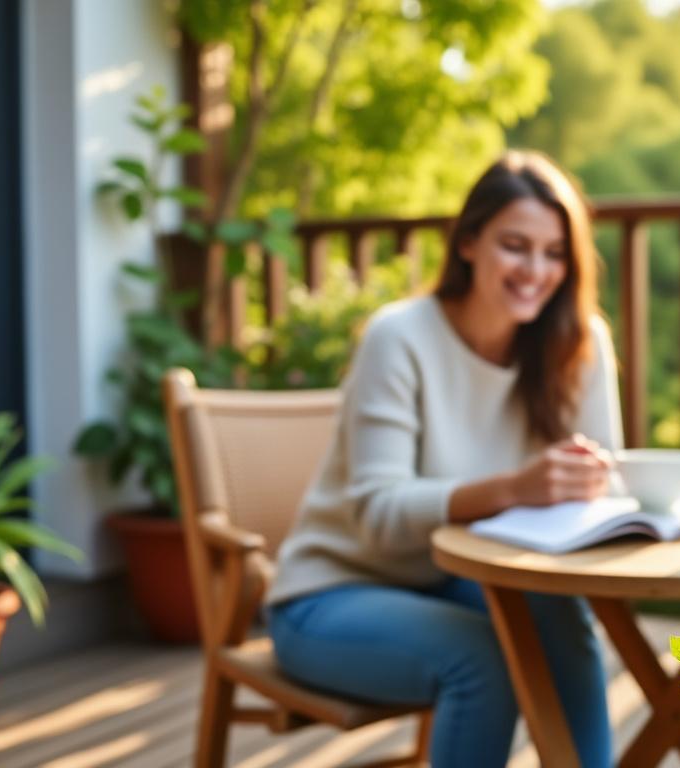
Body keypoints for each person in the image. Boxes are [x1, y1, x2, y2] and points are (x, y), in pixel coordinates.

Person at [266, 150, 621, 767]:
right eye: (515, 245)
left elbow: (604, 486)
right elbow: (377, 513)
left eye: (555, 252)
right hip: (334, 591)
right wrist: (513, 488)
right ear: (467, 243)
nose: (536, 270)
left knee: (559, 617)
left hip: (459, 583)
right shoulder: (399, 337)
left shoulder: (578, 343)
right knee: (482, 659)